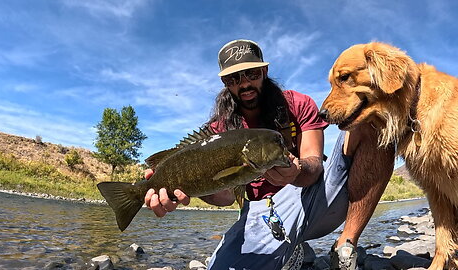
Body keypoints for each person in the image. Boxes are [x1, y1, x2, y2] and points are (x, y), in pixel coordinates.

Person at [144, 39, 395, 269]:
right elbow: (224, 197)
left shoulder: (298, 104)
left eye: (251, 74)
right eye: (233, 79)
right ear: (225, 84)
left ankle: (346, 245)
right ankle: (290, 249)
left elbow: (314, 166)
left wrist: (295, 173)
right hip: (260, 214)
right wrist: (183, 188)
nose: (243, 84)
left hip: (317, 199)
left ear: (264, 71)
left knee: (370, 115)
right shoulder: (217, 131)